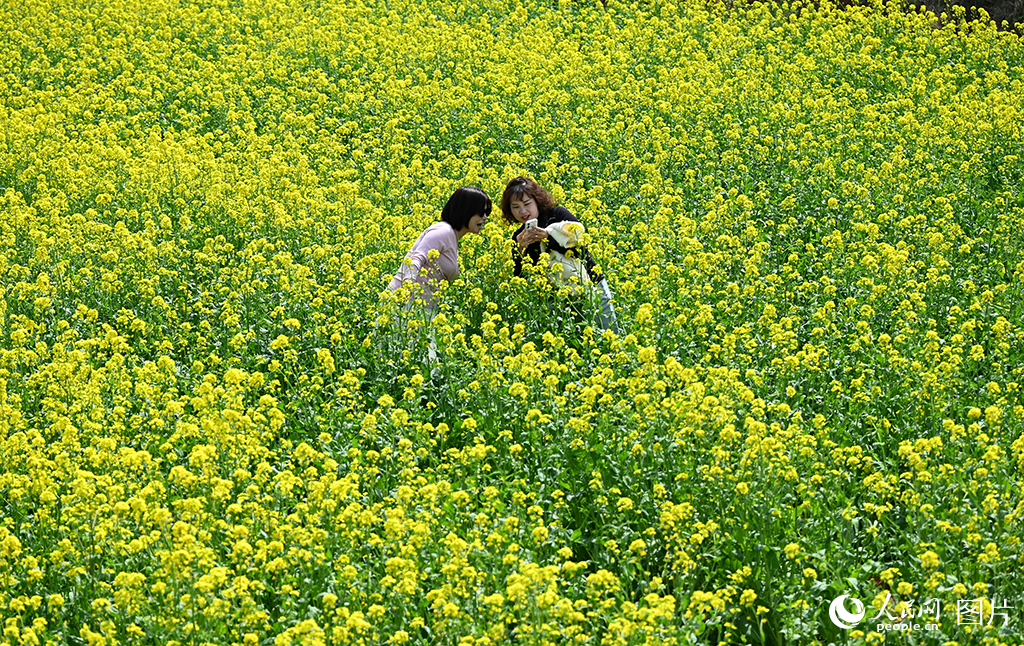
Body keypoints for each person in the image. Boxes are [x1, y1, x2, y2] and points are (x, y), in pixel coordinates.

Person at [500, 176, 619, 332]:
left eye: (527, 204)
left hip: (591, 286)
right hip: (558, 299)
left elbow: (581, 246)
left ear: (537, 201)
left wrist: (549, 237)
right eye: (515, 207)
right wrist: (520, 252)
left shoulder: (558, 215)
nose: (522, 211)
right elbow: (521, 278)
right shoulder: (520, 237)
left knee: (608, 335)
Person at [389, 185, 492, 310]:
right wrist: (407, 288)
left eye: (487, 213)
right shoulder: (444, 231)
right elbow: (416, 259)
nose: (485, 217)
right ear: (466, 210)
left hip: (421, 308)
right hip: (404, 305)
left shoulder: (453, 237)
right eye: (481, 212)